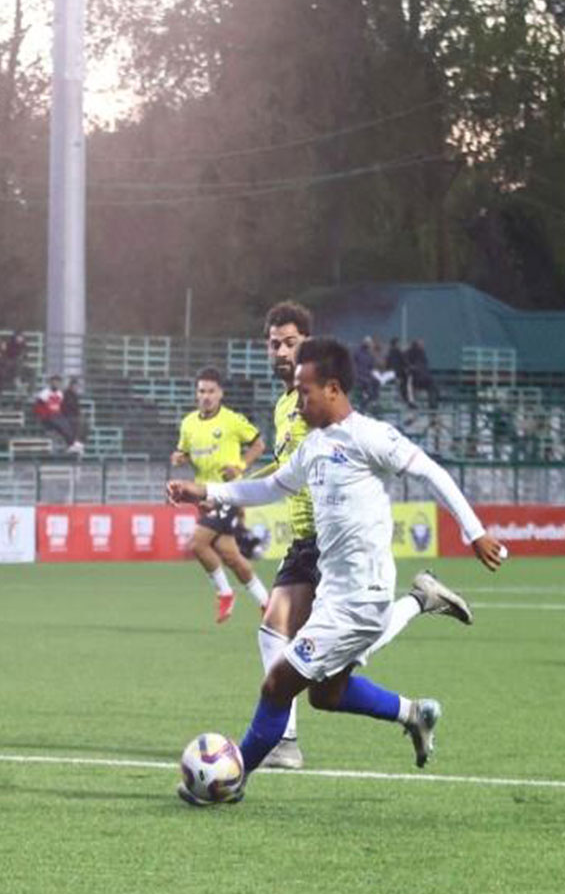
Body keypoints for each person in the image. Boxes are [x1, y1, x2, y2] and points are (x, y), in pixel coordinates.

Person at [168, 338, 502, 803]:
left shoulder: (370, 436)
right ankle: (415, 711)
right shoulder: (313, 446)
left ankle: (231, 779)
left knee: (277, 684)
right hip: (333, 594)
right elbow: (269, 488)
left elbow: (432, 473)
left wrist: (475, 532)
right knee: (325, 695)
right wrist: (205, 492)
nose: (298, 402)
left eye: (304, 392)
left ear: (332, 388)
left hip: (359, 598)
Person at [253, 303, 472, 770]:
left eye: (290, 343)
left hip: (332, 543)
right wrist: (232, 488)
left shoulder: (325, 409)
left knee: (297, 642)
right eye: (274, 344)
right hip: (305, 541)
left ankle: (283, 741)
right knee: (318, 675)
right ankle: (411, 705)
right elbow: (285, 472)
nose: (281, 352)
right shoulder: (284, 407)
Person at [171, 367, 269, 623]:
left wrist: (240, 466)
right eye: (202, 391)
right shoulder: (188, 423)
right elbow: (185, 453)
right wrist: (180, 458)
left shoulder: (232, 421)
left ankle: (225, 593)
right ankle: (267, 602)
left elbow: (259, 444)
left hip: (228, 494)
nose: (206, 396)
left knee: (197, 544)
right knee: (231, 556)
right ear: (196, 394)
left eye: (211, 391)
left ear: (220, 393)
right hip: (203, 497)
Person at [34, 375, 84, 455]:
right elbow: (38, 407)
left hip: (58, 416)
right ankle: (72, 443)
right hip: (48, 417)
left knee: (71, 421)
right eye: (54, 382)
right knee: (61, 421)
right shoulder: (44, 393)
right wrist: (45, 415)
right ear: (50, 383)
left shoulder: (60, 394)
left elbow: (63, 407)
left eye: (57, 382)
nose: (56, 384)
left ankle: (72, 444)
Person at [405, 339, 438, 408]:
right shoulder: (420, 353)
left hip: (417, 378)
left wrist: (411, 368)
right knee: (432, 387)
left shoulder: (410, 352)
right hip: (425, 378)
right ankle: (432, 404)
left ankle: (412, 403)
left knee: (409, 386)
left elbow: (407, 363)